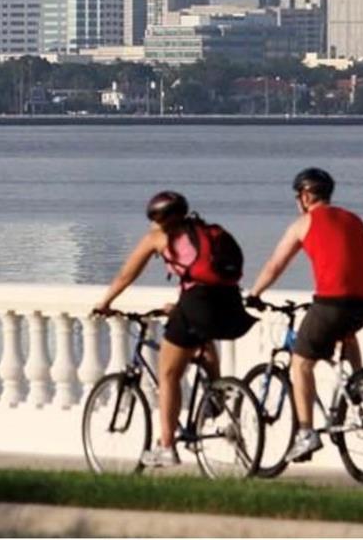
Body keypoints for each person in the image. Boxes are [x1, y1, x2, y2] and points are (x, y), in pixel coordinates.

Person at [93, 190, 257, 468]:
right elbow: (204, 276)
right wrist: (182, 305)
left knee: (168, 373)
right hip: (229, 303)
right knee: (201, 337)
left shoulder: (158, 238)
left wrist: (105, 302)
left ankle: (166, 446)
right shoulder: (205, 231)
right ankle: (216, 393)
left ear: (160, 218)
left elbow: (126, 275)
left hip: (198, 304)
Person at [245, 167, 363, 463]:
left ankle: (305, 433)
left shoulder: (304, 223)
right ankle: (358, 381)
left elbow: (275, 265)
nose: (298, 202)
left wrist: (254, 294)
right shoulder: (353, 219)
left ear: (306, 196)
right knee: (346, 331)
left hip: (334, 302)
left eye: (299, 196)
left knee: (301, 363)